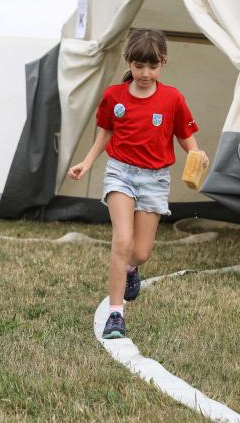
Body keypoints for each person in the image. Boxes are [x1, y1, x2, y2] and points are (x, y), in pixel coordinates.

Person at [67, 28, 208, 339]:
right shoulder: (113, 97)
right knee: (123, 241)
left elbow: (186, 137)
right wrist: (87, 163)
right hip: (121, 173)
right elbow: (105, 132)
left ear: (163, 63)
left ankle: (131, 269)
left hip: (155, 179)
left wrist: (196, 153)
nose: (145, 73)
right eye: (139, 66)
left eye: (153, 66)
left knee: (141, 252)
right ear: (128, 62)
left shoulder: (172, 98)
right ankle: (116, 315)